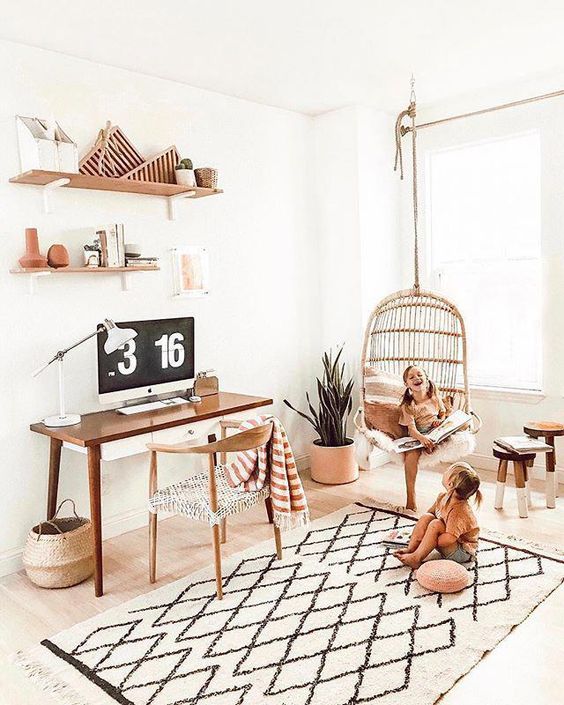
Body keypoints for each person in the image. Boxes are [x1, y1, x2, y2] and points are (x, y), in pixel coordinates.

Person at [395, 462, 481, 570]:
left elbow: (449, 538)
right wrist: (425, 534)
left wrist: (431, 539)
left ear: (450, 484)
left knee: (436, 524)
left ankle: (416, 558)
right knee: (427, 517)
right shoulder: (442, 497)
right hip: (449, 541)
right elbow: (431, 513)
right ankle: (412, 549)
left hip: (462, 551)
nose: (445, 471)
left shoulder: (458, 512)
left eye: (447, 471)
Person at [400, 365, 447, 510]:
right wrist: (422, 439)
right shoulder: (408, 405)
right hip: (418, 435)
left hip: (435, 431)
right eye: (411, 377)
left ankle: (431, 446)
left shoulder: (434, 397)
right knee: (411, 457)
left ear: (426, 378)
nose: (416, 378)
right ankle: (411, 497)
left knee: (463, 426)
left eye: (419, 375)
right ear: (406, 384)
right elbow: (412, 430)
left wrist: (440, 421)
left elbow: (442, 413)